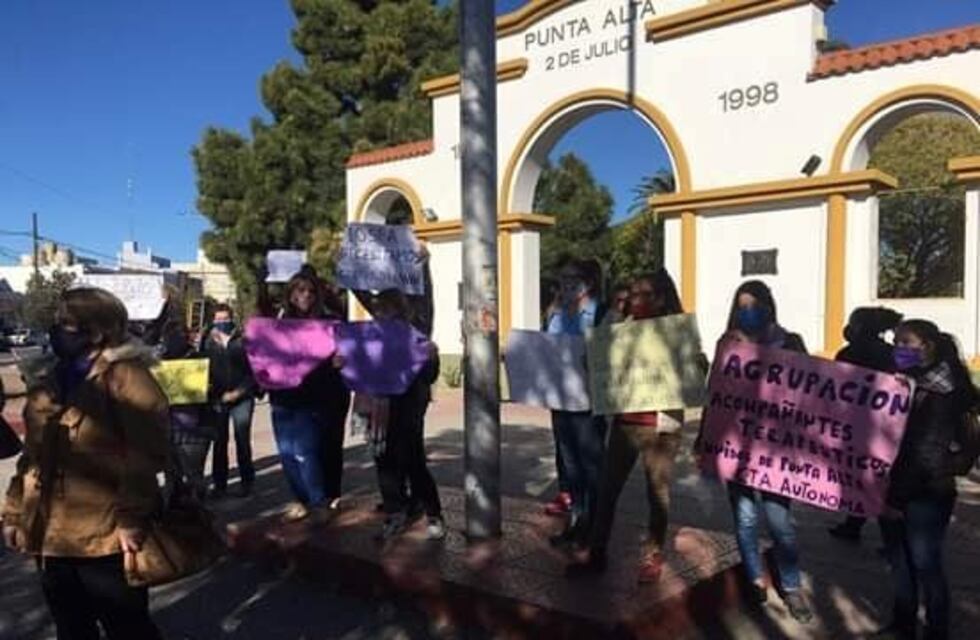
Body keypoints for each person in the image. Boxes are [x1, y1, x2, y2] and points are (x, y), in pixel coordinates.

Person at [2, 287, 168, 639]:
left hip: (106, 532)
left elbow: (145, 454)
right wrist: (14, 513)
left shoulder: (127, 377)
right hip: (50, 531)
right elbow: (30, 456)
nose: (55, 330)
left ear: (96, 331)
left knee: (126, 626)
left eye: (66, 323)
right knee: (71, 626)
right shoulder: (50, 377)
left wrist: (132, 518)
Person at [699, 280, 813, 623]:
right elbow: (715, 393)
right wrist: (704, 437)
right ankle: (754, 580)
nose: (748, 312)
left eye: (755, 305)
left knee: (780, 523)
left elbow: (810, 391)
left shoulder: (790, 341)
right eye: (742, 306)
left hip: (776, 449)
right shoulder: (727, 342)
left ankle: (791, 586)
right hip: (736, 445)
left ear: (769, 306)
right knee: (745, 519)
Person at [572, 269, 686, 582]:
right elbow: (593, 364)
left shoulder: (675, 333)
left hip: (661, 428)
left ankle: (652, 555)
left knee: (657, 494)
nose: (633, 300)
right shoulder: (622, 328)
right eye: (631, 294)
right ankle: (596, 553)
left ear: (658, 299)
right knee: (607, 490)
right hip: (625, 424)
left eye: (640, 295)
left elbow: (693, 372)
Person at [874, 320, 977, 640]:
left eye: (908, 342)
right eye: (897, 341)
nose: (899, 348)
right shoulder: (898, 383)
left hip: (927, 491)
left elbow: (925, 453)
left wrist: (895, 500)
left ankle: (937, 628)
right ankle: (903, 623)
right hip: (893, 483)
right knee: (899, 559)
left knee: (924, 561)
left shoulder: (944, 392)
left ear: (928, 345)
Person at [260, 266, 349, 522]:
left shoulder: (329, 322)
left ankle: (321, 500)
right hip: (284, 396)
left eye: (311, 290)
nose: (305, 295)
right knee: (287, 452)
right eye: (300, 290)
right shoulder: (278, 323)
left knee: (307, 450)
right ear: (289, 294)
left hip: (319, 396)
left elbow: (347, 351)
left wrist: (341, 360)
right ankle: (302, 500)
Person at [545, 258, 607, 547]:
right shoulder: (556, 315)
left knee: (591, 467)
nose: (566, 285)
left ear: (588, 283)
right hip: (560, 401)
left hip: (588, 404)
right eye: (562, 280)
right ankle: (576, 522)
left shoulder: (602, 315)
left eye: (572, 280)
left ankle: (594, 526)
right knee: (570, 467)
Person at [827, 306, 903, 542]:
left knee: (861, 477)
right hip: (886, 428)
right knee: (880, 478)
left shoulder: (848, 353)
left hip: (856, 426)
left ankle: (859, 526)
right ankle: (882, 533)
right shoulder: (893, 354)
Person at [200, 304, 258, 499]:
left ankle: (247, 482)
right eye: (218, 319)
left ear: (232, 319)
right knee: (220, 441)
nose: (222, 322)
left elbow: (253, 371)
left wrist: (239, 392)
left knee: (242, 440)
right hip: (218, 399)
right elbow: (201, 369)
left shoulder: (244, 340)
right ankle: (220, 484)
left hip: (242, 397)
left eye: (225, 319)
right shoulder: (207, 342)